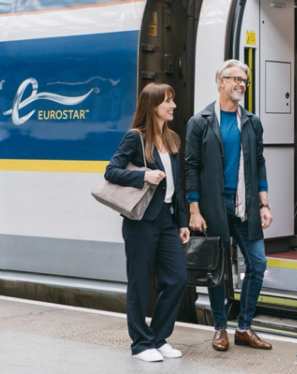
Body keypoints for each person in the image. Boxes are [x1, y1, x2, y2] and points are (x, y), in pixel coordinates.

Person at [185, 59, 273, 351]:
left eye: (243, 80)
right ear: (220, 82)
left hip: (244, 206)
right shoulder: (200, 122)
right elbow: (191, 167)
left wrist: (264, 202)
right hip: (213, 207)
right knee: (217, 271)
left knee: (258, 263)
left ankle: (244, 327)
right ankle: (220, 328)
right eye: (233, 79)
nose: (239, 84)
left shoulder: (251, 122)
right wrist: (194, 209)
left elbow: (259, 162)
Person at [105, 83, 190, 362]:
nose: (173, 106)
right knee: (140, 282)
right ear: (152, 106)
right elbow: (112, 171)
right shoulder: (136, 138)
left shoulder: (173, 139)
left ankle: (158, 337)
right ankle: (141, 343)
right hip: (141, 221)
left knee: (177, 278)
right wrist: (143, 176)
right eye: (168, 101)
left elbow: (180, 184)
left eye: (172, 100)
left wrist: (182, 222)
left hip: (166, 220)